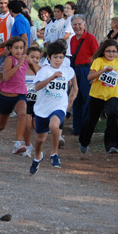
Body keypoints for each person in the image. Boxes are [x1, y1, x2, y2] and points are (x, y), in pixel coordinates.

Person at [79, 39, 118, 154]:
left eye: (114, 51)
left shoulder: (117, 62)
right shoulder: (99, 61)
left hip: (112, 95)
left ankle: (112, 146)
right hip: (97, 95)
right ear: (103, 51)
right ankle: (84, 141)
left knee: (113, 116)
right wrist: (103, 70)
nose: (111, 54)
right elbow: (90, 77)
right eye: (108, 51)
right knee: (92, 120)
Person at [30, 40, 78, 174]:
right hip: (42, 108)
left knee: (54, 125)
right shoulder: (44, 71)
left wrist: (73, 94)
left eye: (61, 57)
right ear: (49, 57)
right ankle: (38, 156)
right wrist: (52, 77)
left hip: (59, 105)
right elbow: (37, 87)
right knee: (40, 139)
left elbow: (74, 82)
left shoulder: (67, 70)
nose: (58, 60)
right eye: (55, 57)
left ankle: (54, 154)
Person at [0, 37, 28, 154]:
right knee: (2, 125)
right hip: (6, 97)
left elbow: (37, 70)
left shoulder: (25, 59)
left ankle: (17, 143)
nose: (19, 51)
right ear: (10, 49)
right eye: (16, 48)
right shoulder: (10, 60)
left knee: (22, 113)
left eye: (21, 48)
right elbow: (6, 77)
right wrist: (18, 65)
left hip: (20, 95)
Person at [69, 15, 99, 136]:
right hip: (76, 71)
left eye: (79, 24)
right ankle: (77, 128)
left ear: (84, 25)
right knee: (76, 99)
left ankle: (86, 129)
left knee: (87, 100)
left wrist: (94, 75)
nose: (77, 27)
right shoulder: (72, 39)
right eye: (74, 24)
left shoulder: (90, 38)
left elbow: (97, 57)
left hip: (87, 70)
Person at [22, 45, 42, 158]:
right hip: (25, 100)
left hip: (37, 100)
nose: (35, 60)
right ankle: (28, 146)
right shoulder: (23, 68)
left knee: (36, 125)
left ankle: (39, 146)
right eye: (32, 57)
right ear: (27, 56)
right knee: (27, 124)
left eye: (37, 58)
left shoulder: (40, 69)